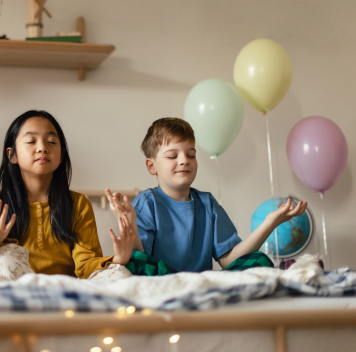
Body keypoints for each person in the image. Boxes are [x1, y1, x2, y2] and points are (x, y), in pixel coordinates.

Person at [105, 117, 307, 274]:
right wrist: (130, 222)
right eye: (172, 156)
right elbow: (142, 258)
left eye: (191, 154)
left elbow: (228, 260)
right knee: (134, 262)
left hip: (202, 282)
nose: (184, 160)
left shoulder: (207, 203)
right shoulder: (146, 203)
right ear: (152, 166)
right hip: (163, 278)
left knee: (260, 260)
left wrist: (270, 223)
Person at [0, 110, 134, 279]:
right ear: (12, 155)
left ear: (61, 155)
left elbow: (87, 263)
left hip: (68, 288)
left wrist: (118, 259)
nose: (42, 148)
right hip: (21, 288)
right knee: (3, 257)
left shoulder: (78, 203)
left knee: (120, 273)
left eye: (51, 142)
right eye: (31, 141)